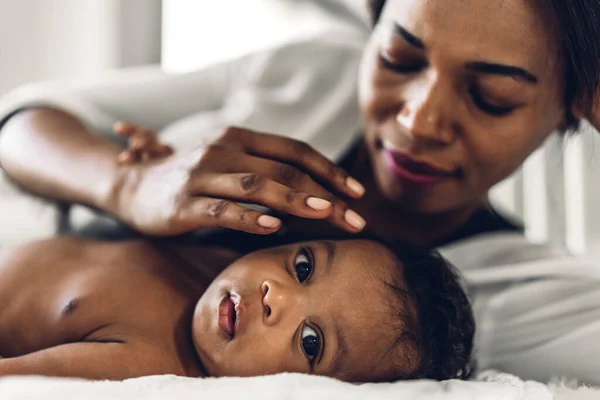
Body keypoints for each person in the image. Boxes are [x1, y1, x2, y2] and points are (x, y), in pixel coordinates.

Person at [1, 0, 600, 385]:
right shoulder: (316, 75)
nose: (419, 122)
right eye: (399, 56)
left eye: (489, 97)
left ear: (574, 107)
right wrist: (127, 181)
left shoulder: (536, 298)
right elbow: (22, 122)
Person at [0, 232, 475, 382]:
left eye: (311, 342)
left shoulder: (150, 362)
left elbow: (15, 378)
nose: (276, 297)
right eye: (305, 267)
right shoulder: (216, 250)